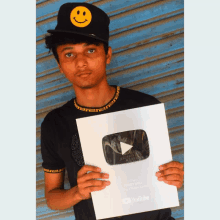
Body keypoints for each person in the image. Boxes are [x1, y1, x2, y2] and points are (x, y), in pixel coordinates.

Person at [41, 2, 184, 220]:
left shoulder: (145, 107)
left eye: (90, 50)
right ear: (60, 65)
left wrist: (175, 176)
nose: (81, 62)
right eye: (69, 54)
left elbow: (162, 173)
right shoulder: (54, 124)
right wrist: (77, 192)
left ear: (107, 55)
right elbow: (52, 197)